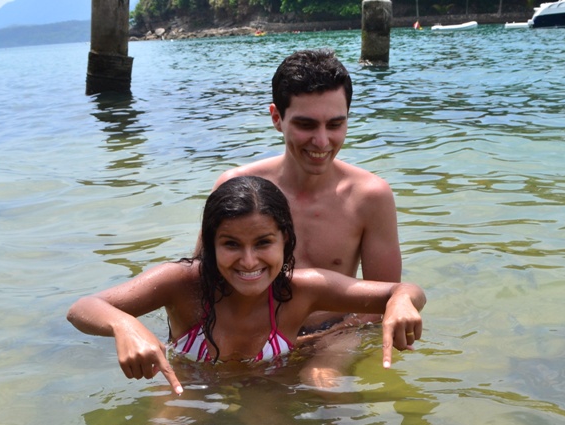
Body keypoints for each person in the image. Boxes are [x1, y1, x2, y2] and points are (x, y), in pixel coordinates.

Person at [67, 176, 425, 395]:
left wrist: (401, 302)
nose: (249, 261)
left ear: (286, 241)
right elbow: (82, 309)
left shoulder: (304, 289)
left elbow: (404, 290)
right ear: (210, 244)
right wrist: (124, 325)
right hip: (191, 387)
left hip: (268, 389)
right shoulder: (182, 283)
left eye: (263, 243)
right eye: (231, 244)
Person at [213, 49, 401, 334]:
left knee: (329, 365)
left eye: (335, 124)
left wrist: (324, 344)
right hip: (252, 335)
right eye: (306, 124)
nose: (322, 141)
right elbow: (201, 284)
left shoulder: (369, 197)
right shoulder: (236, 186)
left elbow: (382, 304)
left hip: (333, 334)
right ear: (277, 118)